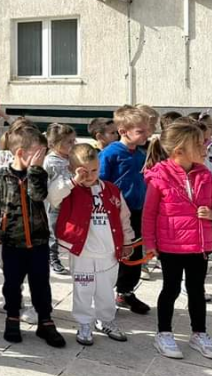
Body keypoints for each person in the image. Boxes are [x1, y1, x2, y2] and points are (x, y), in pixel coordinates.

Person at [143, 119, 212, 360]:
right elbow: (149, 214)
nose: (205, 148)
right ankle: (164, 333)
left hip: (199, 246)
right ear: (179, 151)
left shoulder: (205, 175)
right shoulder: (159, 177)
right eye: (199, 144)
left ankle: (199, 333)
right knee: (169, 289)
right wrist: (150, 244)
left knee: (196, 290)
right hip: (170, 247)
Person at [48, 144, 135, 346]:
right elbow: (53, 196)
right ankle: (84, 322)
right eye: (83, 171)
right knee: (83, 288)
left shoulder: (111, 190)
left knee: (106, 289)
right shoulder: (70, 189)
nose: (89, 175)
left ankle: (105, 319)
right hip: (82, 252)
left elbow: (124, 217)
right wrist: (73, 181)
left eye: (94, 170)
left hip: (108, 251)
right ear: (72, 169)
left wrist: (128, 240)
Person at [0, 126, 65, 347]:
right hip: (12, 242)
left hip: (39, 241)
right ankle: (12, 317)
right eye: (38, 154)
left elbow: (37, 195)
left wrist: (35, 170)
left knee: (41, 283)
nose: (42, 158)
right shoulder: (0, 176)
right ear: (21, 153)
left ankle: (45, 320)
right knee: (12, 283)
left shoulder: (39, 174)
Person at [99, 105, 152, 316]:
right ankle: (104, 293)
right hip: (116, 214)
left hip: (137, 211)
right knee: (115, 254)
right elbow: (101, 182)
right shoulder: (110, 153)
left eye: (146, 130)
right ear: (123, 131)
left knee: (134, 252)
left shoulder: (139, 154)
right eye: (140, 131)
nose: (146, 135)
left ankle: (126, 292)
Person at [44, 123, 77, 277]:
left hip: (71, 201)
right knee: (53, 231)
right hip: (55, 203)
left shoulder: (71, 158)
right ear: (54, 144)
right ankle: (52, 259)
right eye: (69, 142)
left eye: (73, 140)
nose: (73, 144)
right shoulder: (50, 161)